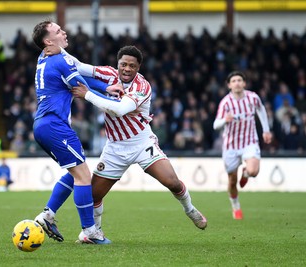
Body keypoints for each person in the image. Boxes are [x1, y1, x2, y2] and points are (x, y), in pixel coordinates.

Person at [41, 45, 207, 243]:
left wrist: (87, 94)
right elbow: (78, 65)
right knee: (93, 196)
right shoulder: (108, 74)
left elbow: (120, 109)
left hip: (141, 143)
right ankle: (93, 234)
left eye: (132, 66)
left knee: (172, 182)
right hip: (114, 148)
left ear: (138, 68)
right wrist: (59, 49)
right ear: (117, 64)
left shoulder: (142, 86)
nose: (127, 69)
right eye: (123, 64)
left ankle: (189, 209)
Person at [30, 20, 122, 245]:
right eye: (58, 31)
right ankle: (90, 231)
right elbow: (80, 86)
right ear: (48, 41)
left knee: (74, 174)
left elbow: (75, 67)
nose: (64, 32)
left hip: (43, 125)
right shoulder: (59, 59)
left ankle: (47, 215)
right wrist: (107, 91)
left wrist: (106, 87)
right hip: (54, 125)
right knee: (83, 176)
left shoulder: (44, 58)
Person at [213, 71, 272, 220]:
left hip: (249, 141)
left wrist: (266, 130)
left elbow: (261, 109)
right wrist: (225, 120)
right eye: (234, 81)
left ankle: (245, 173)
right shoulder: (226, 102)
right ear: (229, 85)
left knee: (253, 171)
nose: (237, 83)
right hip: (231, 145)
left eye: (240, 80)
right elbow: (215, 125)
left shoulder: (253, 97)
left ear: (244, 83)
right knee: (232, 181)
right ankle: (236, 207)